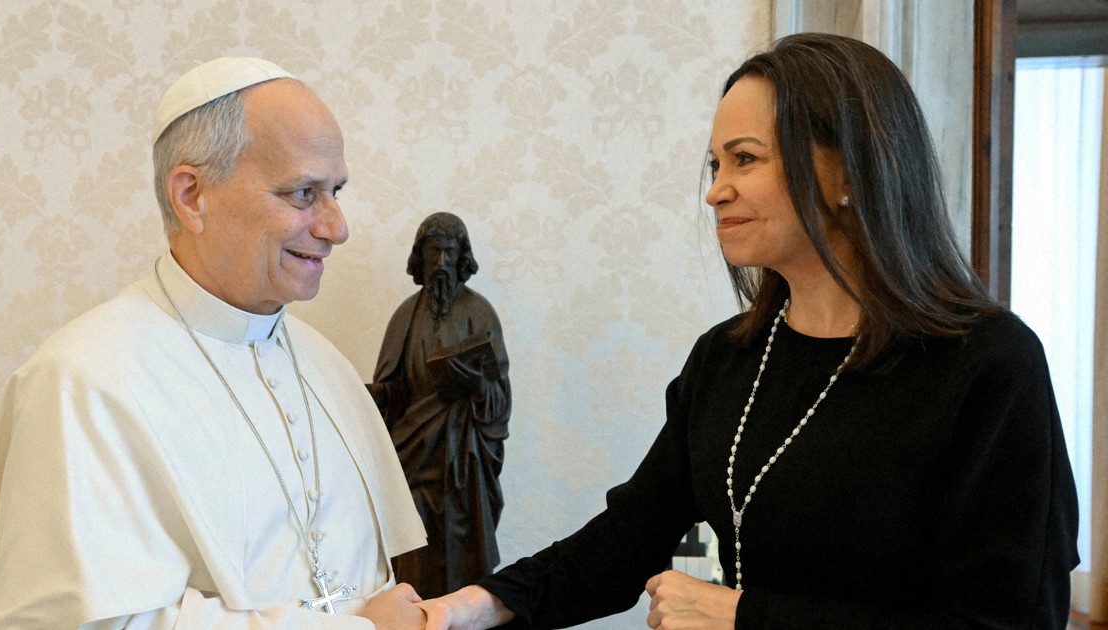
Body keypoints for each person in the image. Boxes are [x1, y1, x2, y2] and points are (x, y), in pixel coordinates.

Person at [417, 33, 1080, 629]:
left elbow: (1009, 621)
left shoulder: (990, 363)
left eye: (744, 159)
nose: (716, 191)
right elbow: (625, 539)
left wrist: (745, 617)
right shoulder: (725, 359)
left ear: (848, 171)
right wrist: (472, 605)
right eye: (716, 165)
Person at [0, 57, 428, 629]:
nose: (336, 227)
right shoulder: (82, 382)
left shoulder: (326, 365)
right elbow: (81, 623)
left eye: (336, 191)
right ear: (192, 196)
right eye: (303, 193)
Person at [368, 212, 511, 600]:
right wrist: (373, 395)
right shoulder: (405, 316)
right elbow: (393, 389)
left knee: (461, 556)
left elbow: (499, 400)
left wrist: (477, 385)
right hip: (412, 457)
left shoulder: (479, 313)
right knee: (412, 554)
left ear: (462, 256)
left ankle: (462, 618)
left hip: (462, 463)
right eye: (434, 252)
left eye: (450, 253)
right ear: (421, 256)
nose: (442, 263)